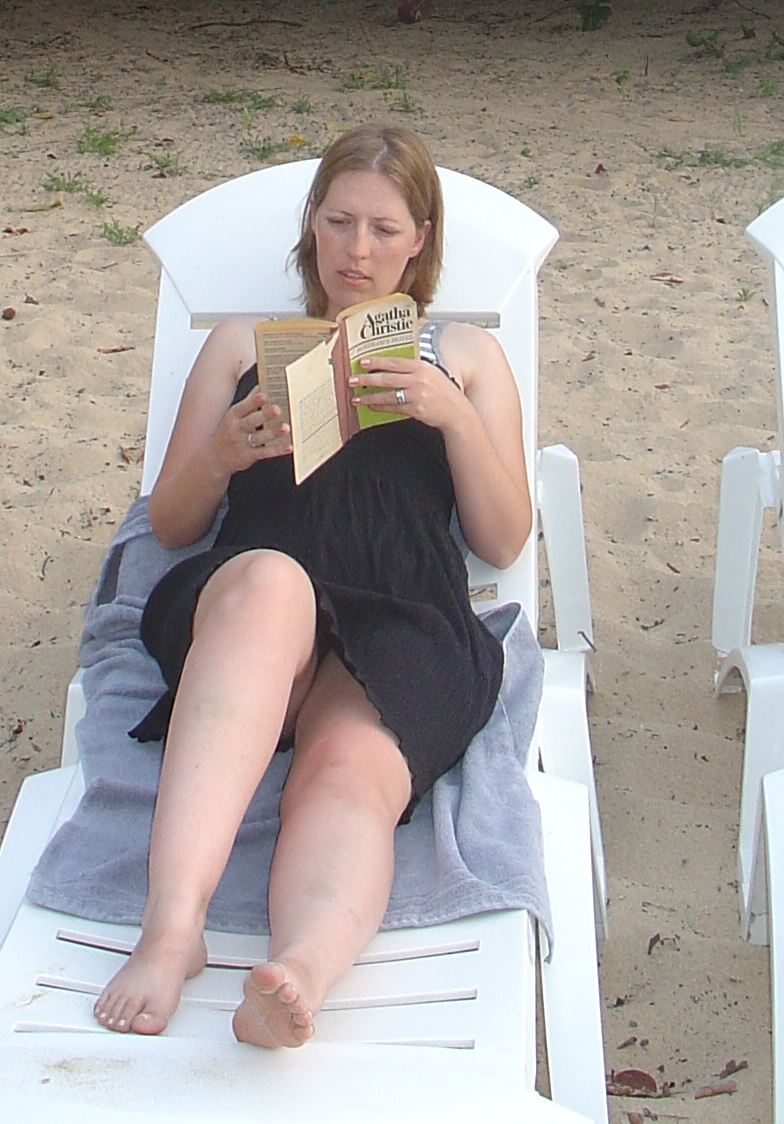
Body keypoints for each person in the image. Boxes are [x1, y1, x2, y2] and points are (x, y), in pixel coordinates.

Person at [93, 125, 530, 1050]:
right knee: (273, 584)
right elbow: (170, 523)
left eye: (383, 229)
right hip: (257, 602)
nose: (356, 250)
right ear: (312, 226)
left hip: (403, 611)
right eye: (338, 223)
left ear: (420, 239)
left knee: (350, 769)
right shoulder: (240, 344)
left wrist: (453, 417)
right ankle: (172, 932)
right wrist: (222, 454)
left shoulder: (465, 356)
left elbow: (503, 538)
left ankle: (301, 971)